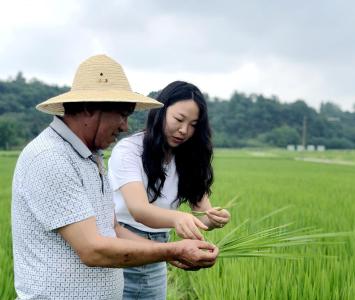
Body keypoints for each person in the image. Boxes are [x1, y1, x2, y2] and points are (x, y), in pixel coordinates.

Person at [11, 55, 218, 300]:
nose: (125, 127)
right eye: (122, 114)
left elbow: (113, 228)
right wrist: (174, 249)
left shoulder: (91, 158)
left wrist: (170, 252)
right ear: (89, 107)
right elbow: (92, 250)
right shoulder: (50, 157)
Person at [108, 80, 231, 300]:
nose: (184, 130)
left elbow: (204, 216)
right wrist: (177, 219)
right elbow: (139, 210)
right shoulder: (129, 151)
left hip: (159, 255)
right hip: (121, 251)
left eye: (193, 124)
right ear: (160, 112)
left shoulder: (189, 158)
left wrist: (216, 218)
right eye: (179, 119)